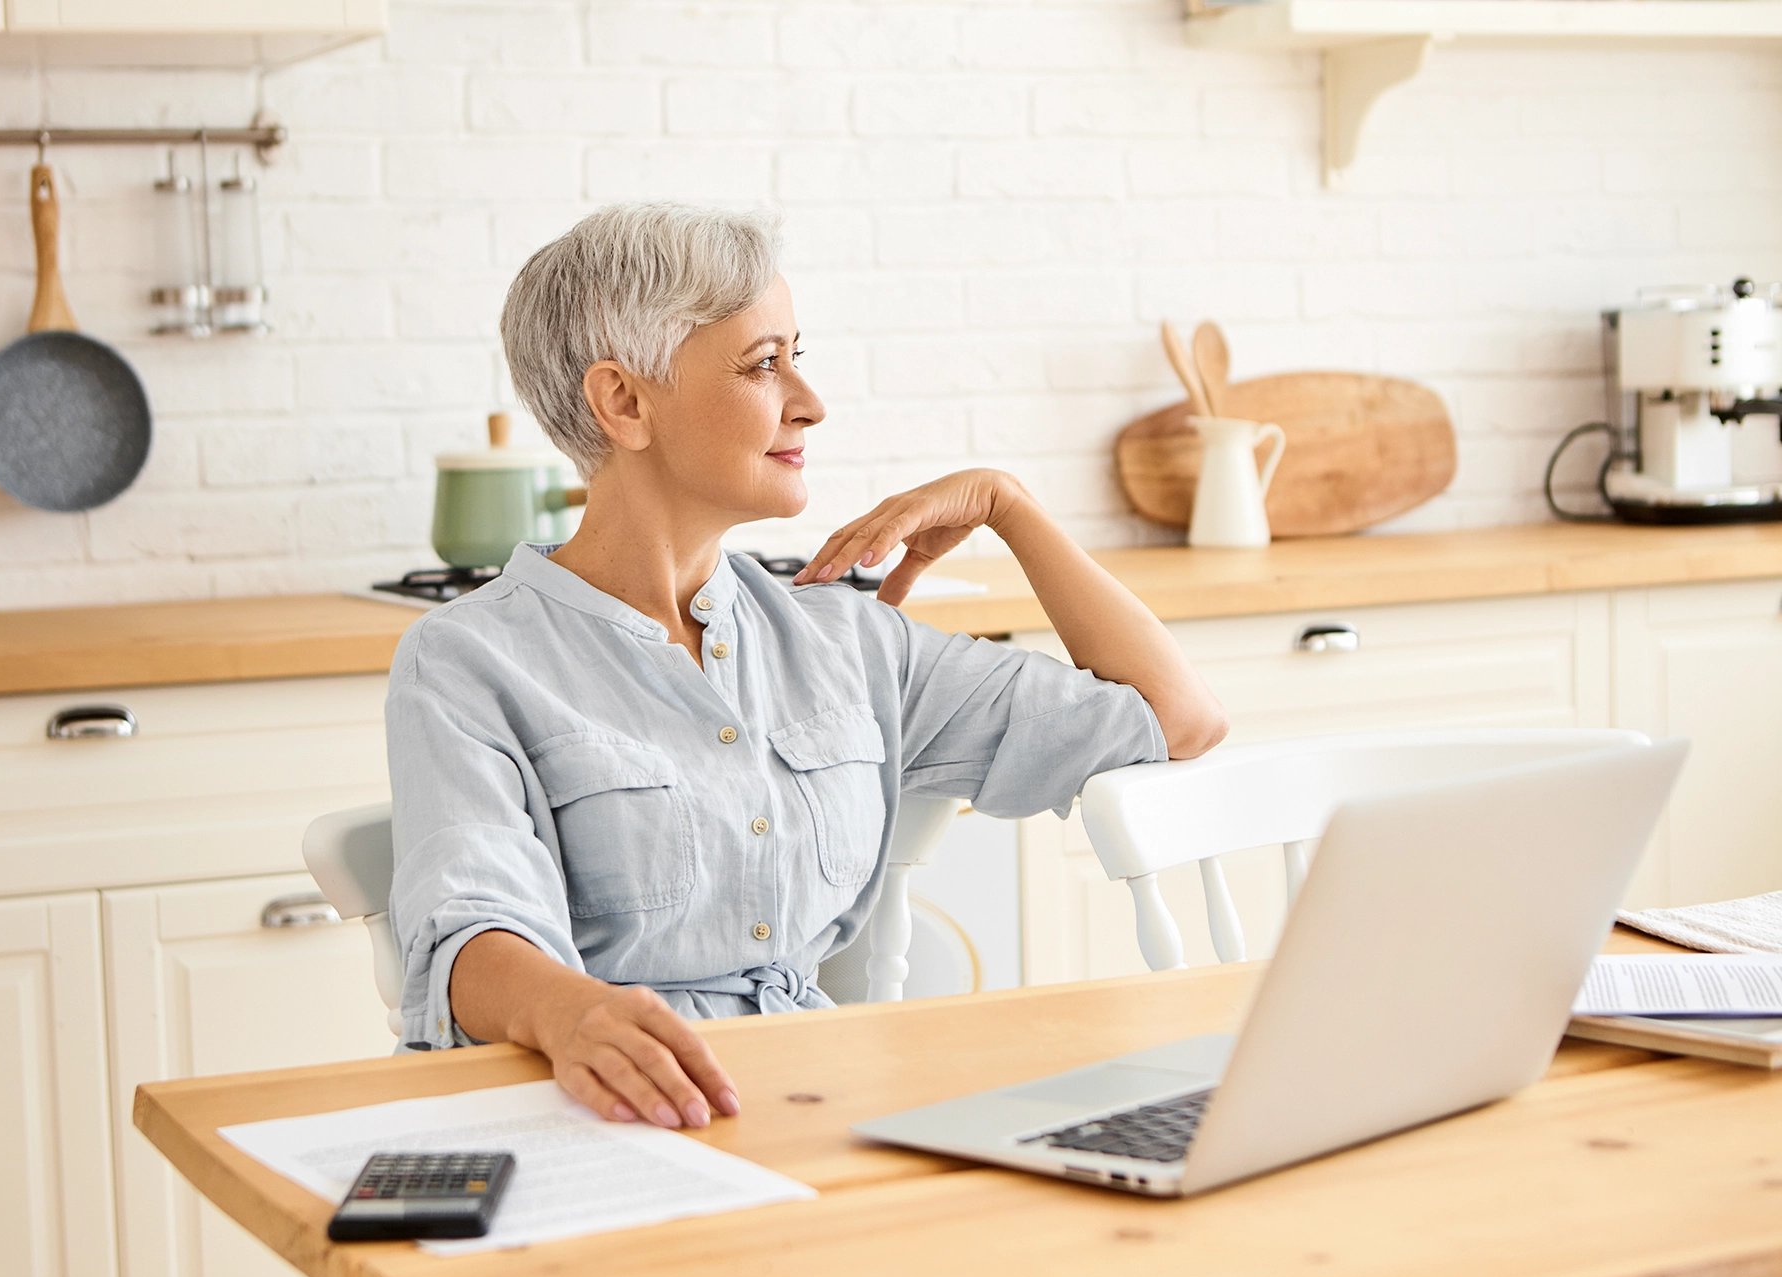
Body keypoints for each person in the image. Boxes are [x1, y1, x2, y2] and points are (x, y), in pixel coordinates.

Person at [385, 203, 1227, 1136]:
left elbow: (1175, 718)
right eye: (762, 364)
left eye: (797, 355)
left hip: (811, 1106)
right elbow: (468, 931)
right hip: (590, 1119)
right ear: (624, 403)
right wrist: (570, 1012)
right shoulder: (468, 658)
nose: (810, 401)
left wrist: (1008, 504)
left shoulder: (846, 640)